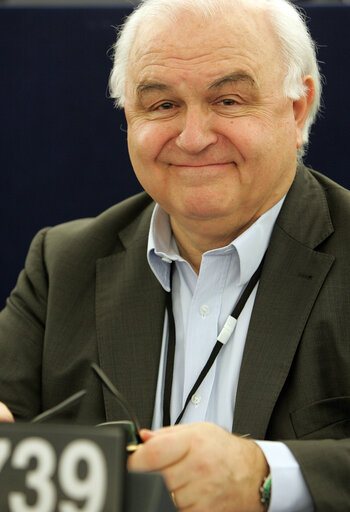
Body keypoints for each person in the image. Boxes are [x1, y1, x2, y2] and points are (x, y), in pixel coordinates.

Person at [0, 0, 349, 509]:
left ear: (297, 109)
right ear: (129, 118)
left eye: (228, 100)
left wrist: (266, 474)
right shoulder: (63, 264)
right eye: (162, 105)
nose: (192, 138)